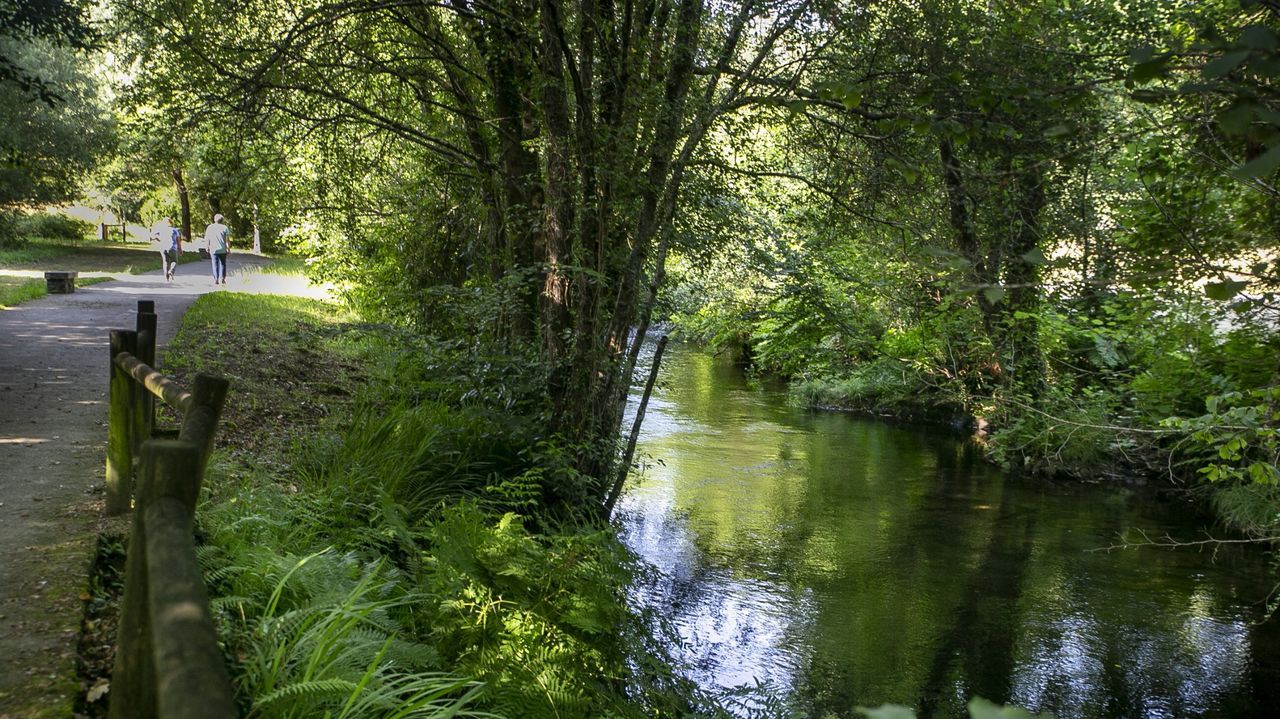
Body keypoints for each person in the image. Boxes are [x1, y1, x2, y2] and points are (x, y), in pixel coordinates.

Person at [203, 213, 231, 285]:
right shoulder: (225, 228)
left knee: (215, 264)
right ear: (222, 220)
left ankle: (216, 279)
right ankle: (223, 278)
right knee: (223, 264)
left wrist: (207, 246)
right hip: (222, 249)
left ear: (215, 219)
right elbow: (227, 240)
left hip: (213, 249)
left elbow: (207, 238)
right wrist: (228, 248)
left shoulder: (210, 227)